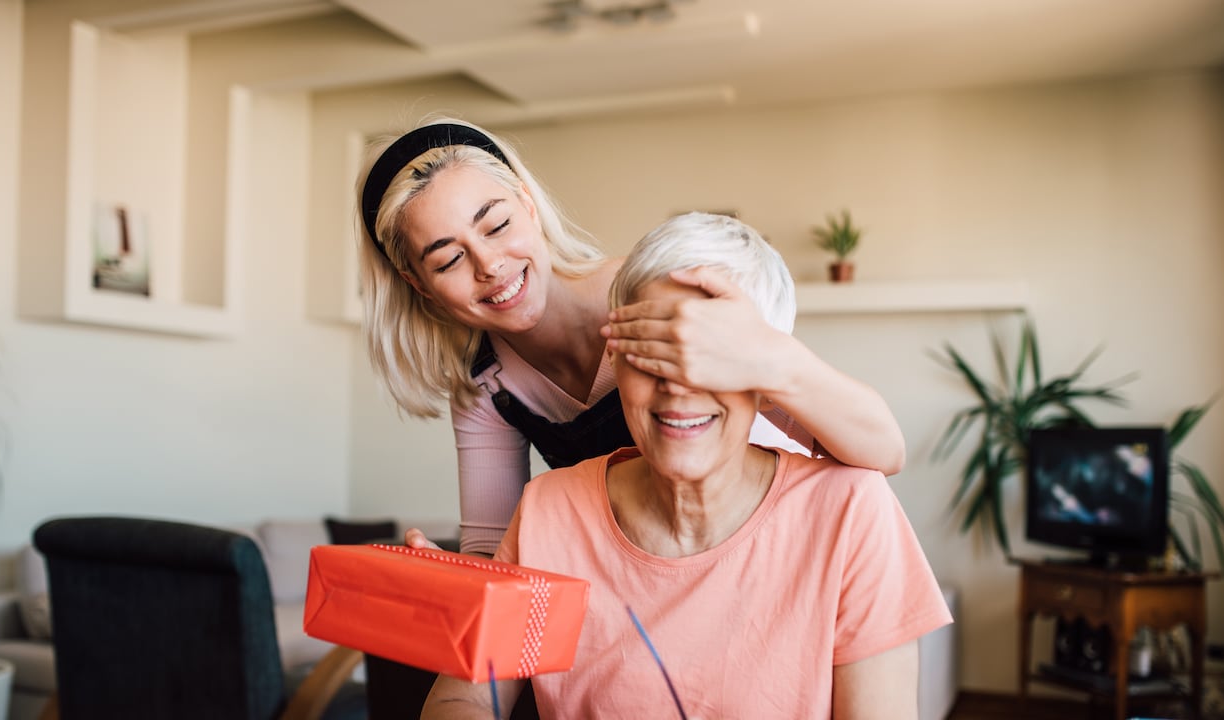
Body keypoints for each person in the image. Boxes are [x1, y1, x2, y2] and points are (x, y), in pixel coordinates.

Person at [419, 212, 952, 719]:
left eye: (711, 358)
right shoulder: (548, 510)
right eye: (653, 352)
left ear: (769, 382)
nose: (677, 385)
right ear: (616, 361)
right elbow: (466, 698)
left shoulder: (851, 512)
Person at [358, 117, 907, 556]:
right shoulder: (487, 386)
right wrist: (455, 577)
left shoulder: (657, 295)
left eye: (497, 225)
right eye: (450, 258)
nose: (490, 265)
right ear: (419, 285)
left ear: (527, 204)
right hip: (654, 566)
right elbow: (499, 550)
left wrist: (763, 354)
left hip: (775, 542)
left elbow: (882, 449)